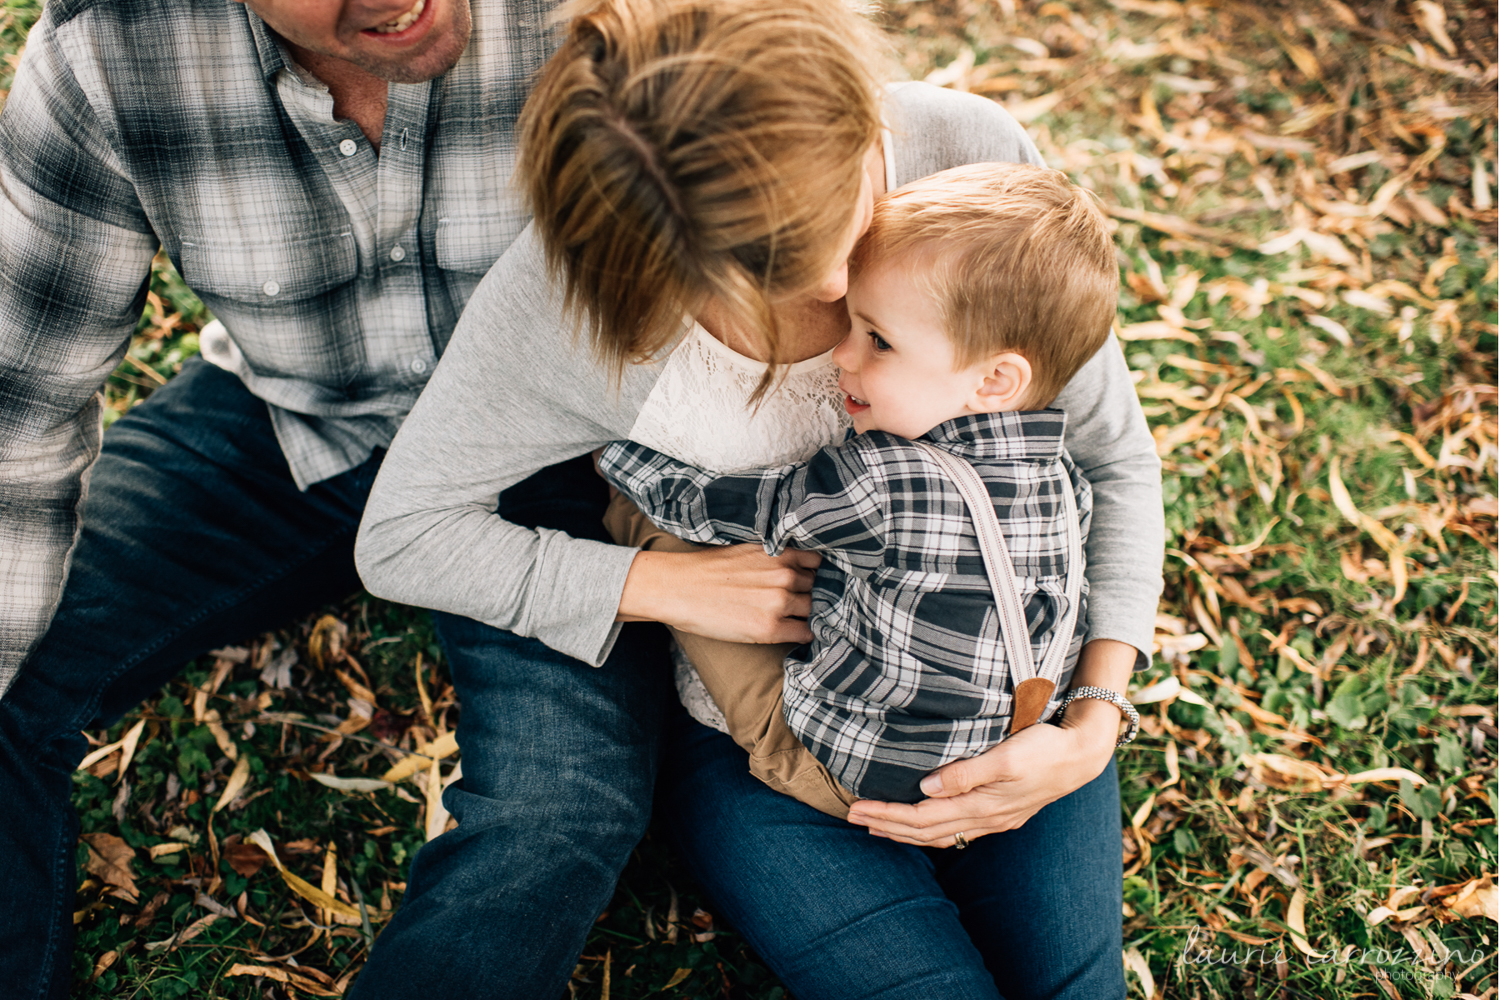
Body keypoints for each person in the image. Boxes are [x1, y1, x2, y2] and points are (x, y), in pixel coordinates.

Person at [356, 0, 1164, 994]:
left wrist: (1091, 723)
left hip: (1011, 701)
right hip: (765, 742)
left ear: (866, 120)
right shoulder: (574, 299)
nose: (832, 283)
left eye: (848, 208)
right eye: (757, 265)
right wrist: (662, 585)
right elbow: (403, 535)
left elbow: (1113, 456)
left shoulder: (963, 155)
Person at [0, 1, 680, 997]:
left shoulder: (616, 14)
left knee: (559, 804)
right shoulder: (107, 62)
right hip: (283, 417)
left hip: (547, 460)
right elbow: (19, 419)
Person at [596, 162, 1143, 813]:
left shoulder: (883, 482)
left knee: (670, 531)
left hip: (852, 770)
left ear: (993, 380)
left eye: (877, 340)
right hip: (1008, 754)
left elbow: (713, 505)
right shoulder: (1063, 480)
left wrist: (616, 457)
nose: (841, 356)